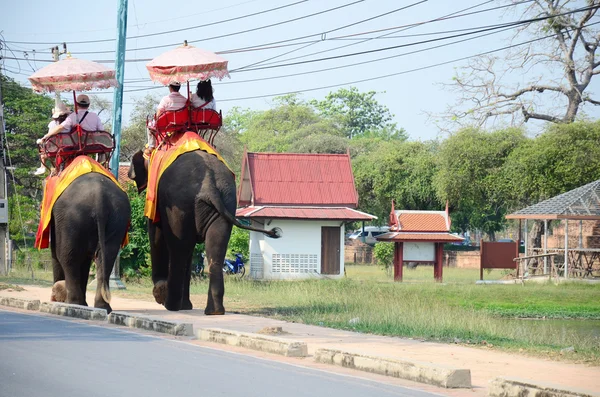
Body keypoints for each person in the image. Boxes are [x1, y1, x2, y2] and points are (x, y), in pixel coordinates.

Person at [146, 82, 188, 152]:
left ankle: (151, 146)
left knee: (149, 126)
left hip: (167, 126)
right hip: (181, 124)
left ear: (170, 88)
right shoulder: (185, 100)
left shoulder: (165, 99)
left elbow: (158, 114)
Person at [34, 102, 71, 176]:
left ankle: (43, 167)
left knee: (43, 153)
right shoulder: (69, 123)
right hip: (69, 145)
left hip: (56, 147)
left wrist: (42, 139)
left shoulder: (52, 124)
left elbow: (49, 136)